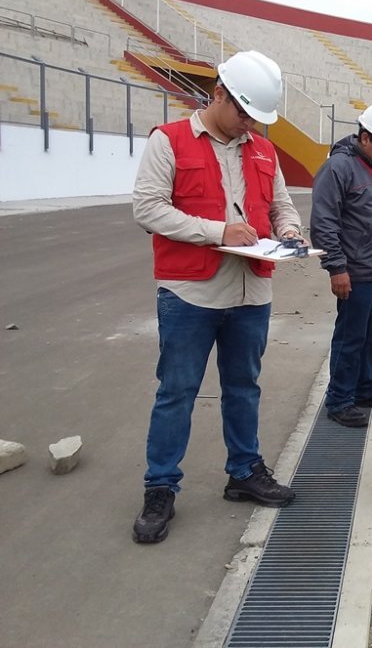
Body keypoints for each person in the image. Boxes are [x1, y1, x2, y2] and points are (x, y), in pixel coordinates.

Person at [131, 50, 301, 544]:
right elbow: (147, 209)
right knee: (177, 392)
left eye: (256, 117)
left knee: (244, 386)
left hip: (252, 290)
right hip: (191, 293)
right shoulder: (169, 141)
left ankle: (244, 471)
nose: (250, 124)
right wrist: (216, 230)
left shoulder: (262, 151)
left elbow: (282, 205)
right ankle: (160, 487)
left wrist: (288, 232)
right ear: (219, 93)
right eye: (244, 112)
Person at [310, 103, 372, 428]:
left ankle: (366, 388)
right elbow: (324, 222)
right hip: (356, 272)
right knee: (350, 337)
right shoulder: (338, 167)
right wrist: (337, 267)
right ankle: (339, 399)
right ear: (365, 138)